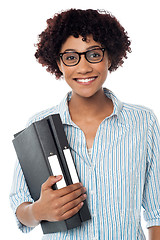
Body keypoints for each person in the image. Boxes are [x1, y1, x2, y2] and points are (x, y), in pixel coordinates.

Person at [10, 9, 160, 240]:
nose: (83, 68)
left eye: (94, 54)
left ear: (110, 57)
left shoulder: (144, 122)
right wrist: (38, 210)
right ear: (58, 63)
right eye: (71, 57)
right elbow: (21, 209)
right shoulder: (39, 127)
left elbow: (156, 212)